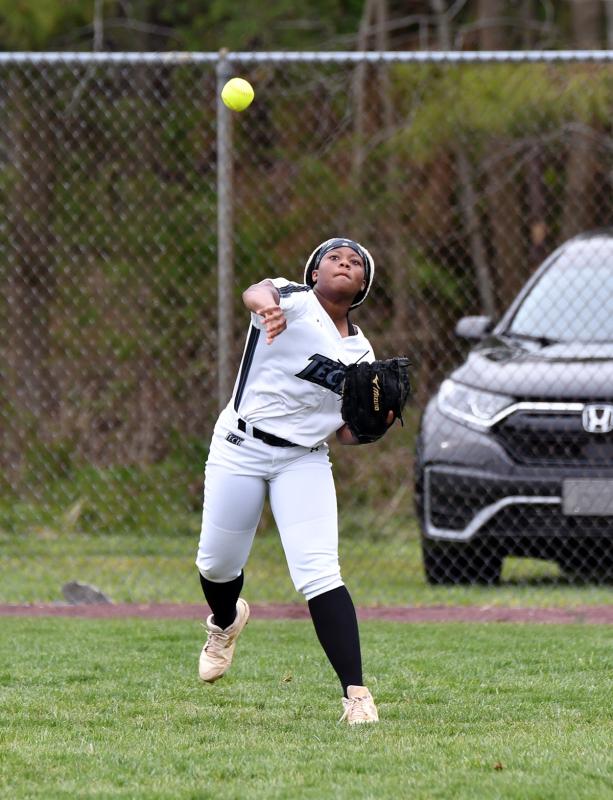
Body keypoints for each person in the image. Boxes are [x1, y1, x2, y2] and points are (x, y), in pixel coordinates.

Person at [195, 237, 396, 725]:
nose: (344, 263)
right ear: (313, 273)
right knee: (218, 566)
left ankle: (356, 695)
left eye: (355, 262)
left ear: (363, 284)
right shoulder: (291, 299)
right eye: (334, 258)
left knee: (320, 572)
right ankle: (224, 622)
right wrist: (268, 310)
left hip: (302, 460)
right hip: (240, 446)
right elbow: (254, 292)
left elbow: (342, 429)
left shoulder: (360, 352)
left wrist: (372, 428)